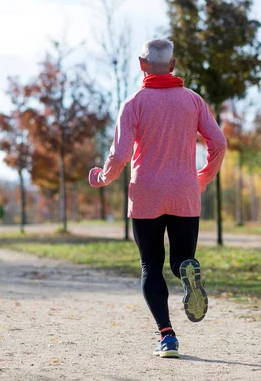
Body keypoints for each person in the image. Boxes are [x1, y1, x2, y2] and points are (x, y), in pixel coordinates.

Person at [88, 39, 227, 358]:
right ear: (173, 65)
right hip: (184, 191)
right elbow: (218, 143)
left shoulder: (133, 103)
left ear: (141, 65)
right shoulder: (193, 101)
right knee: (181, 259)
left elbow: (121, 153)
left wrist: (102, 177)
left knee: (150, 265)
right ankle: (186, 270)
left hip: (147, 194)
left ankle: (167, 337)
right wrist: (202, 177)